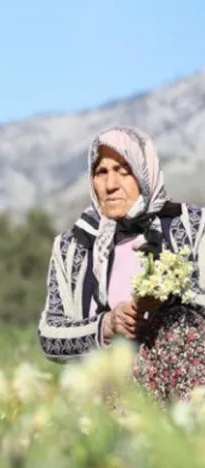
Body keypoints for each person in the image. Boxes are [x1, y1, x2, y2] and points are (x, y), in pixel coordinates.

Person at [38, 126, 205, 362]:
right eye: (101, 172)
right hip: (108, 390)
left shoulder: (193, 227)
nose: (110, 184)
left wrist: (174, 295)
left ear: (144, 173)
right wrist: (107, 326)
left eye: (123, 170)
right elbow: (49, 338)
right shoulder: (74, 246)